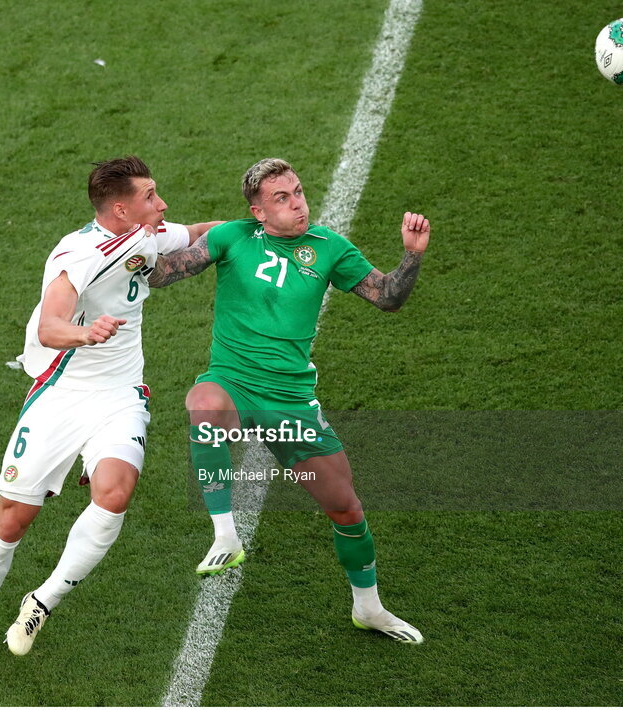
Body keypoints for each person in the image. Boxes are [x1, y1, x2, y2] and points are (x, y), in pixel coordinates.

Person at [0, 156, 222, 679]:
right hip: (62, 394)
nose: (161, 204)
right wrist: (85, 333)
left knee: (114, 495)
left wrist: (252, 227)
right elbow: (52, 325)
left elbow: (195, 234)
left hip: (120, 393)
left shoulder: (145, 233)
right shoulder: (77, 254)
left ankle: (42, 601)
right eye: (150, 196)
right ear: (121, 209)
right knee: (11, 521)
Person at [148, 158, 429, 643]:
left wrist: (412, 255)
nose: (298, 204)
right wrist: (135, 240)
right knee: (203, 402)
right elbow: (160, 274)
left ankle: (369, 607)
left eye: (298, 192)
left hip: (291, 402)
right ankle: (224, 533)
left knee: (346, 508)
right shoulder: (231, 236)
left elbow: (387, 297)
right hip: (233, 382)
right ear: (258, 212)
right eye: (283, 198)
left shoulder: (328, 248)